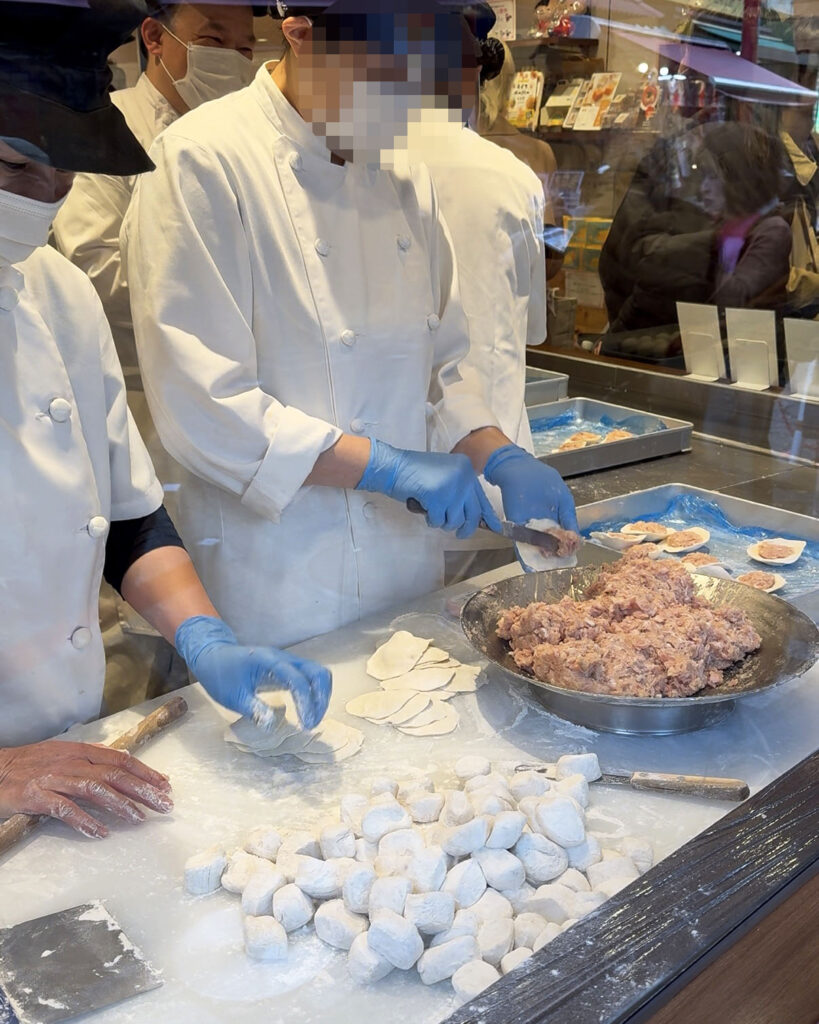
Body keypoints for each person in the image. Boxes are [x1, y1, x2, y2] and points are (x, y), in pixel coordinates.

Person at [123, 0, 578, 652]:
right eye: (383, 77)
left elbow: (444, 364)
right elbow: (203, 404)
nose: (403, 108)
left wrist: (494, 451)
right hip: (272, 572)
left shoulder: (404, 172)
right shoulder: (202, 160)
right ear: (300, 34)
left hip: (403, 559)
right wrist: (388, 468)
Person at [0, 0, 331, 839]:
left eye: (66, 173)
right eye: (14, 168)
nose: (46, 200)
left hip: (66, 751)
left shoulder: (54, 292)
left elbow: (126, 520)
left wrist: (205, 635)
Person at [52, 0, 258, 714]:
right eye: (212, 38)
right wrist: (219, 304)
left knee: (208, 596)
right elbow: (98, 268)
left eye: (245, 46)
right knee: (138, 642)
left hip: (236, 409)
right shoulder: (113, 132)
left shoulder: (244, 141)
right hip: (143, 400)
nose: (231, 59)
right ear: (155, 38)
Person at [408, 30, 549, 579]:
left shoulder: (360, 168)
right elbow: (532, 329)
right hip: (501, 474)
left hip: (392, 484)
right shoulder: (513, 176)